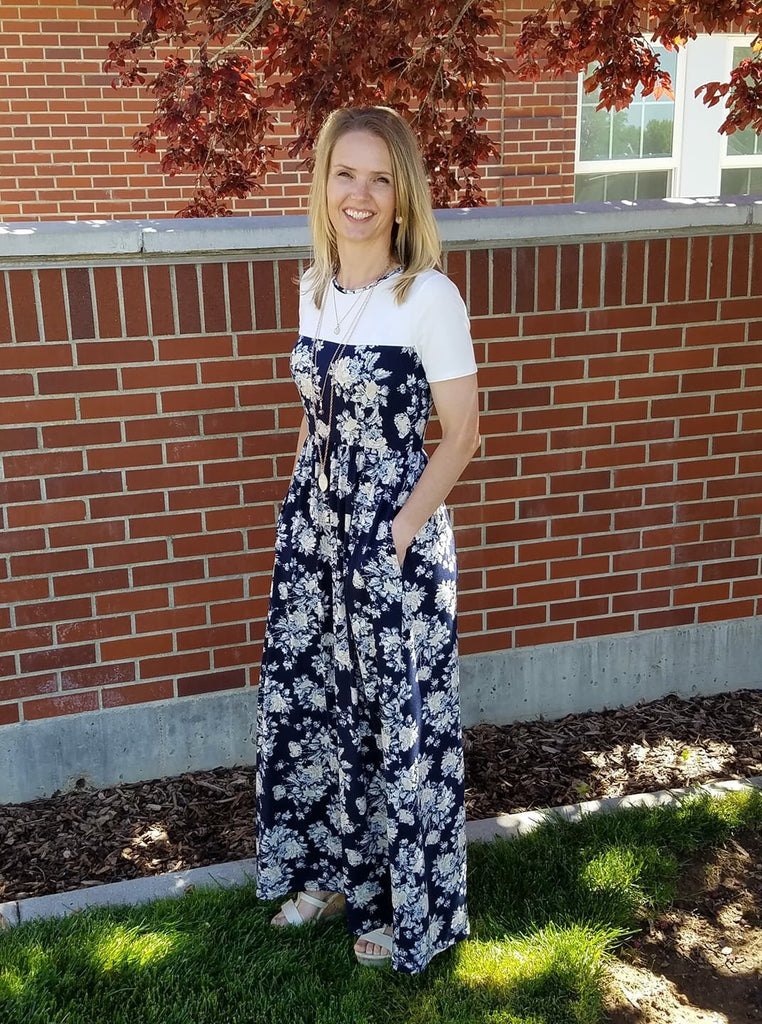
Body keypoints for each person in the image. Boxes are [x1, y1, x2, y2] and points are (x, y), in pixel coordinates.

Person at [254, 105, 480, 974]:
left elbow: (460, 434)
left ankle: (401, 904)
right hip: (316, 534)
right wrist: (297, 507)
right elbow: (316, 418)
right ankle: (329, 872)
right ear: (324, 185)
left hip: (394, 542)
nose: (360, 193)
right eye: (345, 174)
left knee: (396, 725)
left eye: (379, 178)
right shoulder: (314, 285)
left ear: (402, 194)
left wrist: (395, 538)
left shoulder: (428, 296)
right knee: (317, 708)